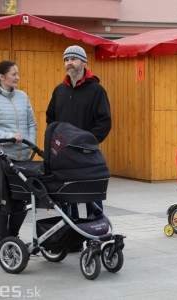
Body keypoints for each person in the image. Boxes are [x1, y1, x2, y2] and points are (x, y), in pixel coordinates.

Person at [46, 45, 112, 220]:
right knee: (67, 198)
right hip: (64, 155)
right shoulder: (59, 90)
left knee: (92, 196)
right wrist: (55, 143)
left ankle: (96, 236)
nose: (69, 63)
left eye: (73, 59)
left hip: (86, 155)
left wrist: (88, 142)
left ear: (84, 62)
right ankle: (72, 237)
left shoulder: (97, 90)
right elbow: (50, 119)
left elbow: (104, 122)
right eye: (66, 60)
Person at [0, 60, 37, 243]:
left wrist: (30, 144)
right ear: (2, 77)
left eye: (18, 74)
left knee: (22, 201)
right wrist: (10, 136)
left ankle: (12, 239)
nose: (17, 78)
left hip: (21, 157)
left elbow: (31, 123)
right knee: (4, 202)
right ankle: (4, 241)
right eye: (13, 74)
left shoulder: (23, 96)